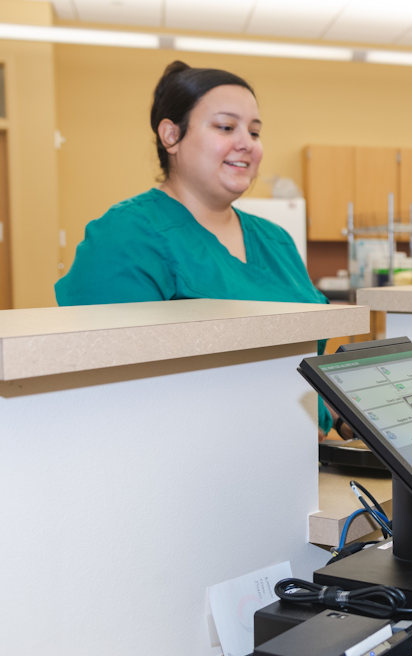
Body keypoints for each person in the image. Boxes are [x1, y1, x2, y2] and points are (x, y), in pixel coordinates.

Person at [56, 61, 348, 438]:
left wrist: (339, 411)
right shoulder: (127, 235)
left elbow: (305, 366)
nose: (247, 143)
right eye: (226, 127)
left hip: (299, 460)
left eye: (255, 132)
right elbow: (106, 387)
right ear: (171, 135)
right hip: (188, 468)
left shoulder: (275, 240)